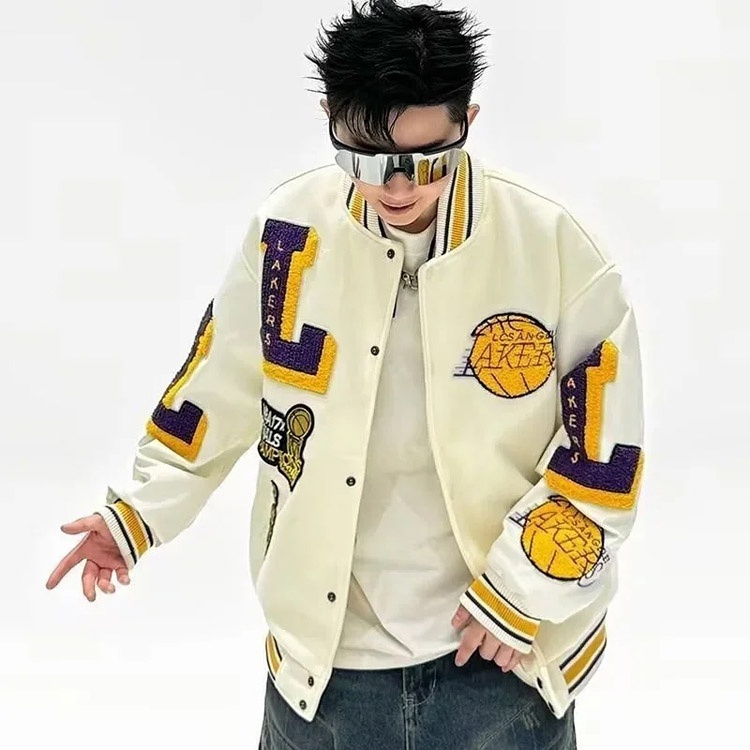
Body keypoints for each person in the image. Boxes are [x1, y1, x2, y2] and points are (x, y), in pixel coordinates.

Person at [46, 1, 646, 748]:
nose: (397, 188)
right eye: (364, 159)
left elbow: (604, 457)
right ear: (331, 119)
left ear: (468, 121)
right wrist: (137, 514)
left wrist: (521, 593)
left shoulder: (555, 250)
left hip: (503, 663)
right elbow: (213, 389)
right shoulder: (288, 234)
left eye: (426, 162)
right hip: (321, 674)